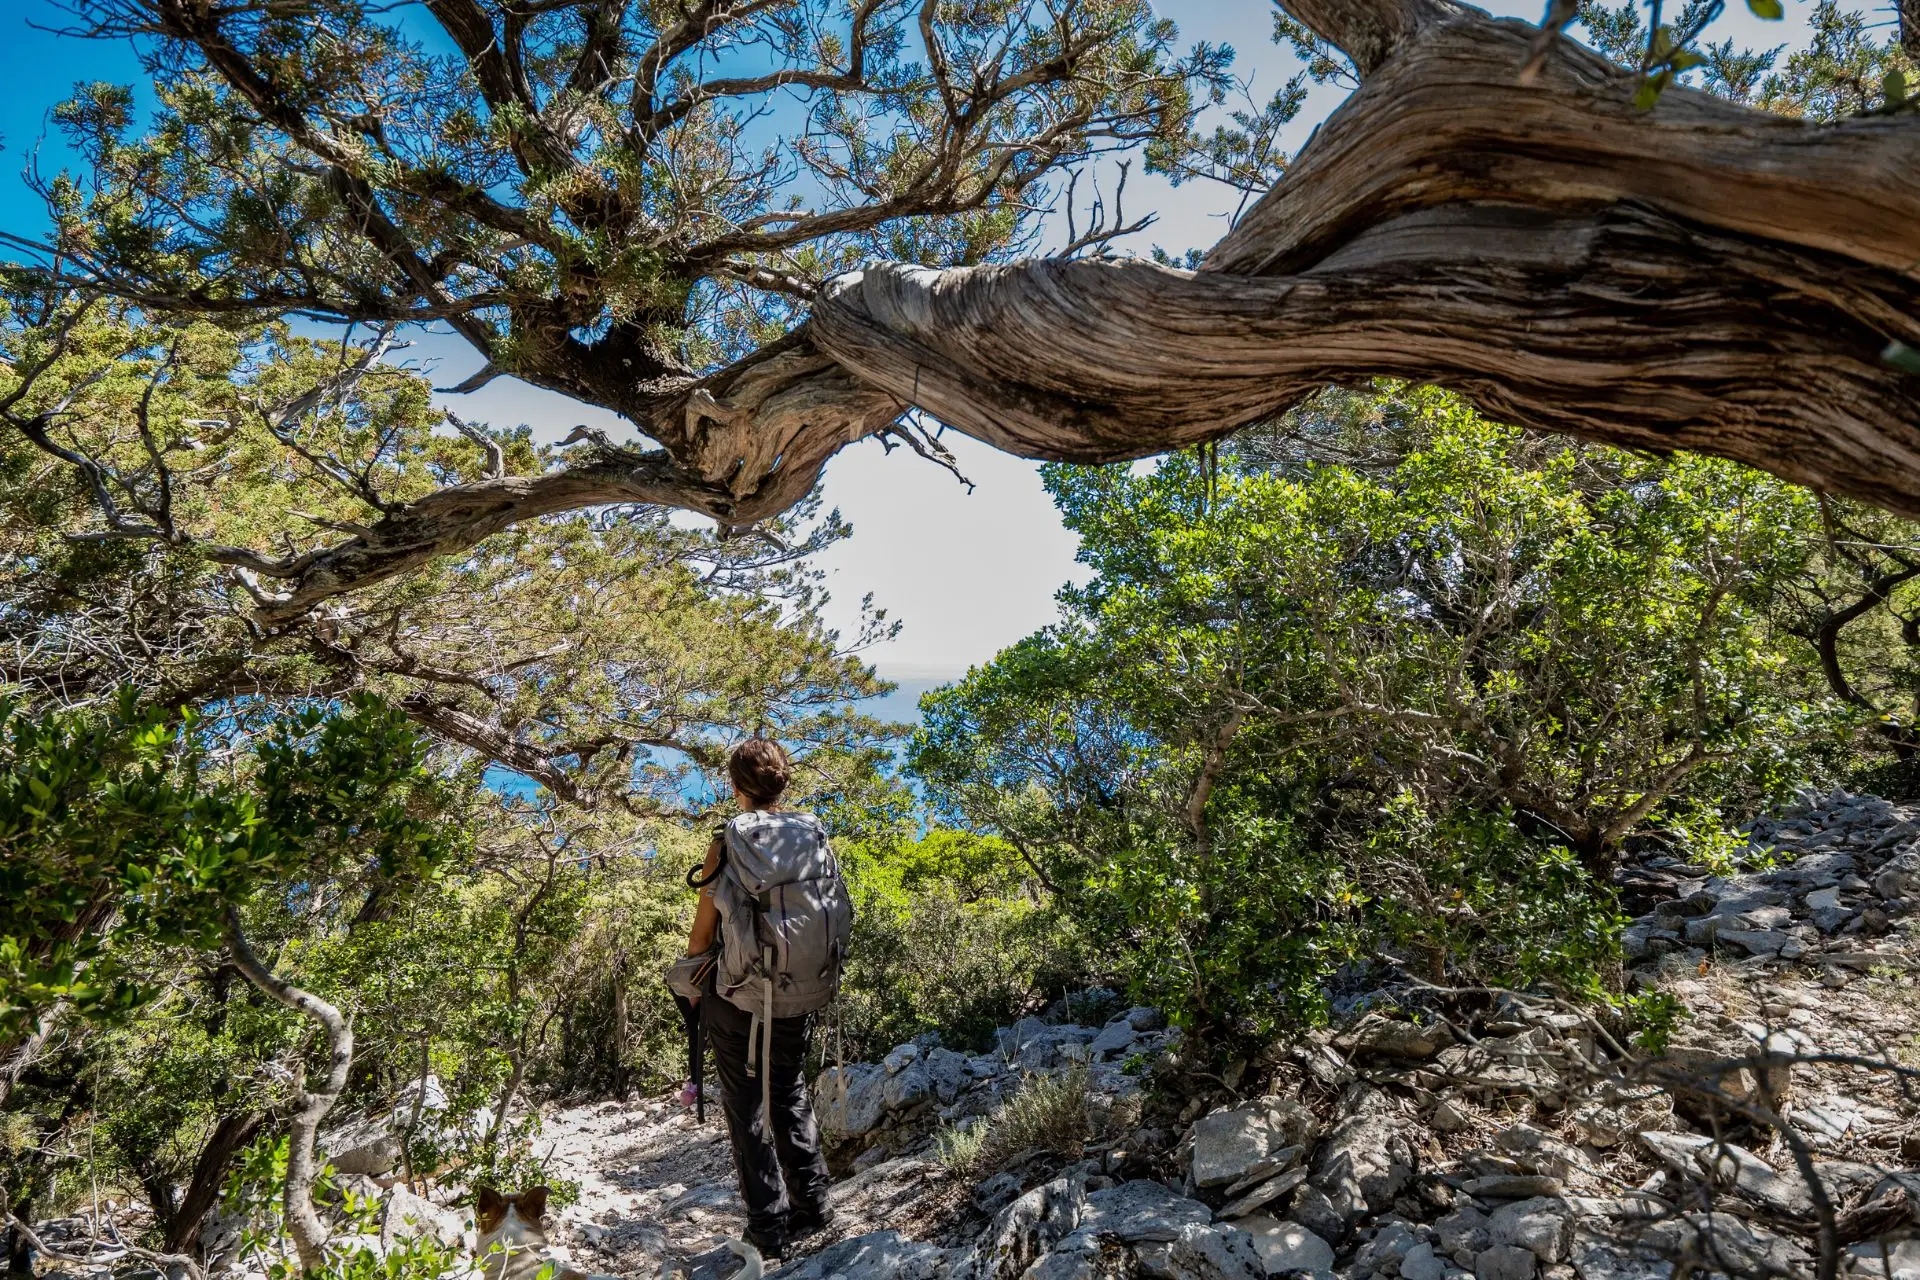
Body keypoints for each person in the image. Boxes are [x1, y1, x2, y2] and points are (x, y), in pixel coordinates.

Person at [684, 739, 840, 1257]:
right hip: (799, 987)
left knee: (745, 1105)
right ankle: (813, 1206)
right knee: (789, 1090)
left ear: (734, 787)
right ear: (783, 785)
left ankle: (767, 1230)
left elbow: (702, 936)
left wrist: (690, 987)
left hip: (739, 996)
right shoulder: (811, 833)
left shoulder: (727, 844)